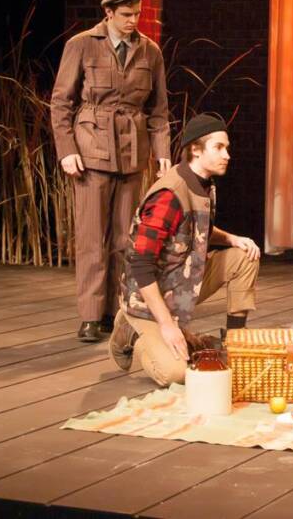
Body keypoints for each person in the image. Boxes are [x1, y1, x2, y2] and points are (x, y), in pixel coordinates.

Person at [51, 0, 171, 342]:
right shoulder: (83, 45)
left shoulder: (150, 52)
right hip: (91, 151)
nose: (134, 20)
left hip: (132, 153)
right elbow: (61, 102)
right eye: (126, 15)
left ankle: (115, 312)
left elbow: (159, 111)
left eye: (137, 14)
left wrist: (162, 153)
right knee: (91, 238)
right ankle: (90, 314)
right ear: (108, 13)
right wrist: (66, 149)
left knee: (125, 240)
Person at [107, 113, 261, 386]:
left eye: (227, 148)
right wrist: (167, 326)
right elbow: (139, 264)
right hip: (148, 298)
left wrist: (232, 239)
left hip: (183, 280)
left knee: (244, 256)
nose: (227, 155)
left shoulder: (204, 183)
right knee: (175, 373)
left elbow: (194, 232)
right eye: (219, 148)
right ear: (195, 150)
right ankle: (131, 331)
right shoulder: (168, 195)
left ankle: (236, 344)